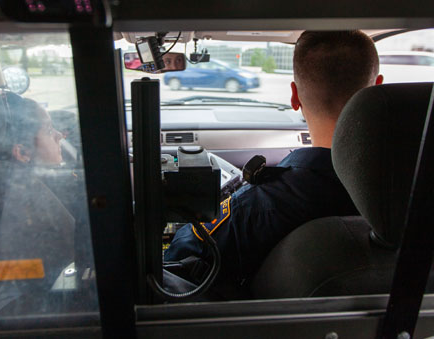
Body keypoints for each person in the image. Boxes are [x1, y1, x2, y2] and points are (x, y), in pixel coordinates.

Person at [163, 30, 384, 298]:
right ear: (377, 87)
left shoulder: (255, 208)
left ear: (294, 96)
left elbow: (179, 265)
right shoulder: (416, 195)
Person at [0, 93, 75, 327]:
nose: (59, 136)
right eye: (48, 130)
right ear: (22, 152)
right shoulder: (24, 194)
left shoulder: (6, 185)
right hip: (14, 316)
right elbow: (77, 246)